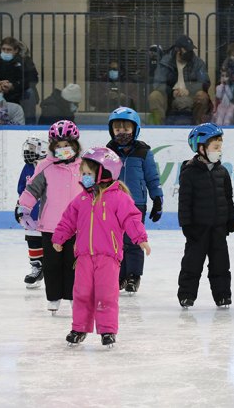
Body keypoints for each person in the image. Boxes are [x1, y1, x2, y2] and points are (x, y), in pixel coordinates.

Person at [52, 147, 151, 347]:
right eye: (83, 173)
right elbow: (67, 221)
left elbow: (131, 219)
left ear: (104, 173)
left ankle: (107, 330)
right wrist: (59, 238)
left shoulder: (119, 198)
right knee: (81, 293)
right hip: (84, 257)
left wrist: (140, 238)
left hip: (108, 257)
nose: (83, 177)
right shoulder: (80, 199)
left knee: (106, 294)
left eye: (88, 173)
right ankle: (79, 328)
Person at [17, 121, 82, 314]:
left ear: (75, 144)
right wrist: (23, 207)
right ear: (52, 146)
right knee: (52, 264)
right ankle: (53, 297)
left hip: (76, 226)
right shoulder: (45, 166)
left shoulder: (84, 165)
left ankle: (71, 296)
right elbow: (33, 189)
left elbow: (93, 189)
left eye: (67, 144)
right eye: (58, 146)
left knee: (73, 264)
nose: (63, 149)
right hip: (50, 226)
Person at [178, 123, 234, 308]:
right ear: (201, 148)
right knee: (192, 264)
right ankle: (187, 295)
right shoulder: (189, 173)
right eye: (215, 147)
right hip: (198, 228)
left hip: (219, 228)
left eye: (220, 147)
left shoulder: (222, 172)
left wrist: (230, 218)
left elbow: (228, 198)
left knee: (221, 264)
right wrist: (186, 225)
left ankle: (222, 295)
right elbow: (184, 202)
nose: (219, 151)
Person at [106, 106, 163, 293]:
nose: (121, 133)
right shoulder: (108, 151)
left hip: (135, 202)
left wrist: (157, 199)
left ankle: (134, 276)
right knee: (116, 241)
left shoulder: (143, 151)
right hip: (112, 203)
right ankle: (119, 275)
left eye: (126, 129)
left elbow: (152, 177)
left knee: (133, 240)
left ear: (135, 129)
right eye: (117, 129)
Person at [148, 34, 212, 125]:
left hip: (190, 96)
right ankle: (159, 127)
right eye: (187, 50)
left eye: (191, 49)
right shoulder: (165, 62)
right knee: (154, 96)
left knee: (202, 96)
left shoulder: (198, 63)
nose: (190, 52)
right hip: (170, 97)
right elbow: (158, 84)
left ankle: (197, 126)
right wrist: (172, 92)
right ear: (178, 50)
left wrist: (189, 90)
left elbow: (205, 82)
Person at [16, 135, 48, 289]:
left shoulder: (49, 166)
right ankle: (37, 267)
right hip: (32, 214)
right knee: (33, 239)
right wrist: (21, 206)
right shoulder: (27, 167)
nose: (28, 152)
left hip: (48, 214)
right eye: (28, 149)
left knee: (50, 241)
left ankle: (49, 269)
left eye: (32, 149)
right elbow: (21, 188)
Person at [0, 36, 39, 123]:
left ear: (16, 51)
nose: (5, 52)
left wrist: (13, 86)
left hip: (20, 92)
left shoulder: (25, 61)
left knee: (30, 93)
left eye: (9, 50)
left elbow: (33, 79)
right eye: (3, 49)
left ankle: (30, 124)